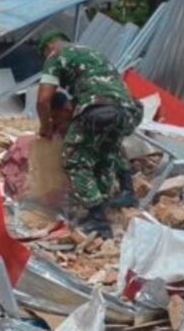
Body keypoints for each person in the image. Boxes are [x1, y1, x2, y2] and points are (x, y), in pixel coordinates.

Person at [37, 29, 143, 239]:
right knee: (104, 156)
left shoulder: (56, 55)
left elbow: (43, 99)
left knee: (75, 161)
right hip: (128, 111)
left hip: (99, 109)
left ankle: (98, 220)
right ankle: (110, 204)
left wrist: (45, 126)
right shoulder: (95, 54)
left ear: (49, 47)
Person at [49, 90, 138, 208]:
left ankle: (126, 192)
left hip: (124, 112)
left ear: (66, 108)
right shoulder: (71, 112)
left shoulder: (86, 112)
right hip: (111, 112)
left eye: (56, 117)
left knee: (109, 149)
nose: (55, 121)